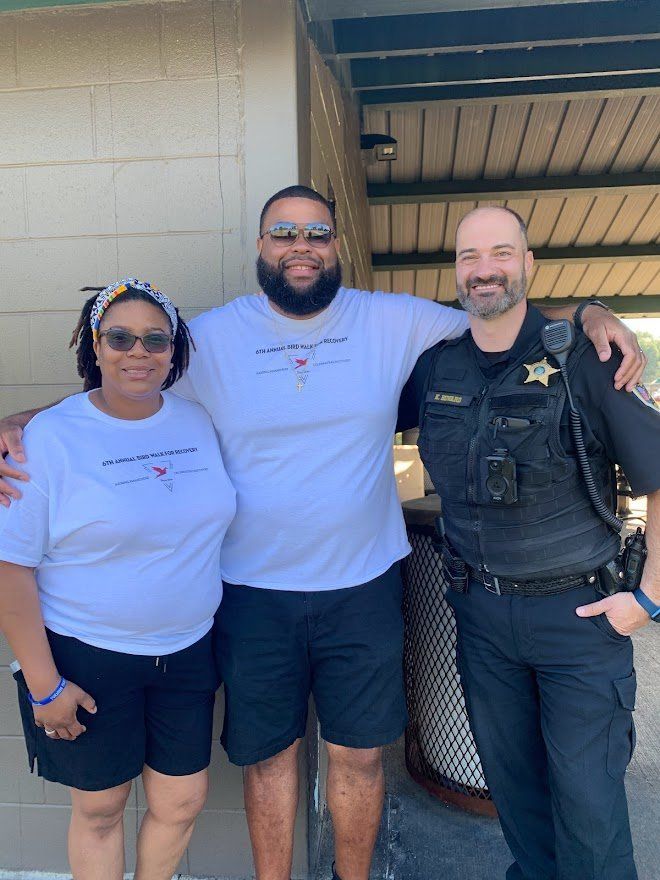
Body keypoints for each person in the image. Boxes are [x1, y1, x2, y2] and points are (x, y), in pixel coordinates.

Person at [0, 188, 646, 880]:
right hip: (251, 594)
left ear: (335, 245)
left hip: (363, 587)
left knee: (360, 757)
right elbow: (124, 387)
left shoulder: (392, 320)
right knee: (269, 759)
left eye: (316, 233)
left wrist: (588, 312)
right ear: (262, 247)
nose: (300, 246)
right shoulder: (210, 338)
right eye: (284, 233)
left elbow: (498, 309)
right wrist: (25, 424)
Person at [398, 206, 660, 880]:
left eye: (501, 253)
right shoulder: (435, 370)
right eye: (469, 257)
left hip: (578, 619)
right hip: (481, 619)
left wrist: (651, 599)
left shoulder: (585, 358)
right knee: (518, 801)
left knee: (589, 807)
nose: (484, 269)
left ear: (528, 262)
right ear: (456, 270)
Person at [0, 280, 236, 880]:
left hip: (186, 652)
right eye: (120, 337)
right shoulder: (47, 439)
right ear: (94, 346)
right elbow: (11, 568)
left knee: (181, 803)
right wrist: (44, 686)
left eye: (156, 338)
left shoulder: (197, 422)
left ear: (175, 349)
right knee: (102, 809)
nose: (139, 351)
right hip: (87, 653)